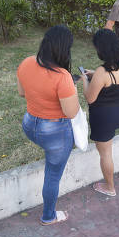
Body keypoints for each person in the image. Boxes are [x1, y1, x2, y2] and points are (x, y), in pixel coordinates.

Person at [17, 26, 80, 225]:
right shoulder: (63, 77)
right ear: (64, 49)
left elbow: (21, 92)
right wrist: (74, 90)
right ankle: (48, 216)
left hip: (30, 124)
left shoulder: (27, 62)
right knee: (52, 176)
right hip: (54, 132)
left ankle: (50, 152)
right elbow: (71, 112)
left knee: (51, 156)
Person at [80, 29, 119, 196]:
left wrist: (85, 80)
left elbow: (90, 98)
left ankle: (109, 188)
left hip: (104, 117)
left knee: (105, 153)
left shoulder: (102, 72)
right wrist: (95, 75)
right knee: (106, 150)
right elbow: (114, 80)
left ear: (102, 49)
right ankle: (109, 184)